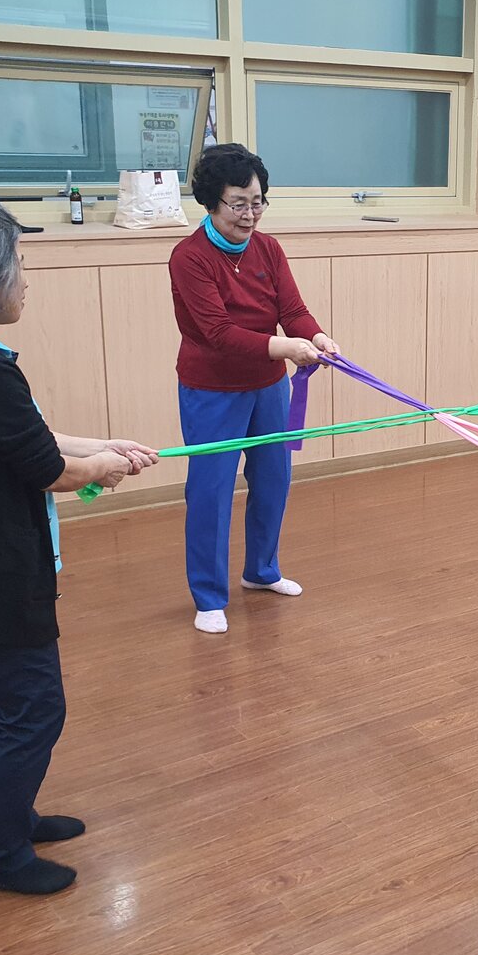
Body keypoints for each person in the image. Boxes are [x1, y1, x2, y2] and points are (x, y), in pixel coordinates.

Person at [0, 194, 157, 895]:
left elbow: (26, 437)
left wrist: (104, 445)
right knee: (35, 705)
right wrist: (101, 467)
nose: (26, 278)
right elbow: (49, 468)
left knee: (7, 698)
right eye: (17, 262)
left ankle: (9, 817)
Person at [171, 144, 340, 635]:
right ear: (211, 202)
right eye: (238, 204)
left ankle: (261, 571)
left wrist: (316, 337)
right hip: (212, 390)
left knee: (273, 479)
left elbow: (293, 309)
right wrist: (288, 348)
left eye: (258, 202)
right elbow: (219, 333)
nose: (250, 214)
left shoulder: (268, 248)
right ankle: (208, 596)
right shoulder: (189, 257)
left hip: (268, 386)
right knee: (211, 491)